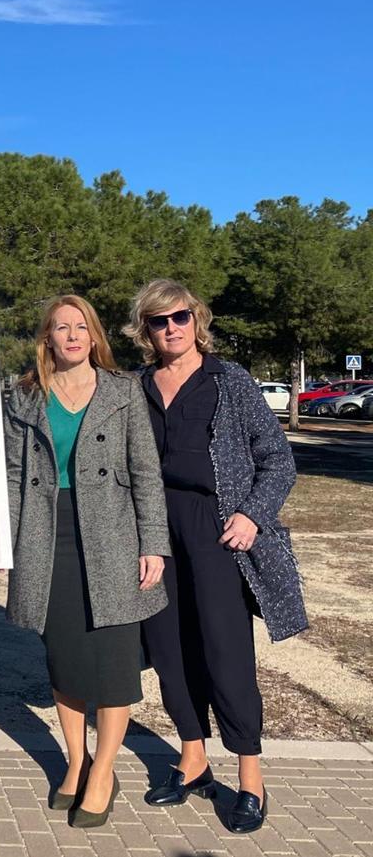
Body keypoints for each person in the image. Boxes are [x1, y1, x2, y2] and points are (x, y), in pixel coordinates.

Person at [126, 279, 307, 835]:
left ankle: (250, 777)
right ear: (146, 330)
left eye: (179, 317)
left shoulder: (230, 381)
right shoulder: (135, 386)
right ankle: (193, 759)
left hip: (216, 530)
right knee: (169, 647)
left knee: (225, 651)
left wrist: (252, 514)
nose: (171, 328)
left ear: (195, 319)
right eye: (158, 321)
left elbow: (277, 458)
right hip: (153, 533)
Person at [4, 294, 169, 828]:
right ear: (47, 338)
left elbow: (146, 472)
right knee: (65, 656)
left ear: (94, 336)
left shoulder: (123, 392)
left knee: (116, 658)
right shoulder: (24, 396)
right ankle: (76, 761)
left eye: (81, 326)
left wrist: (154, 544)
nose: (72, 335)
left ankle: (104, 770)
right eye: (60, 327)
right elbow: (10, 474)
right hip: (46, 534)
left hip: (114, 535)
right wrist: (1, 540)